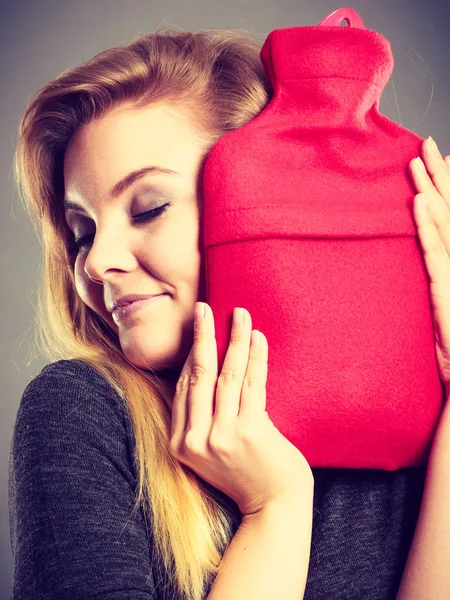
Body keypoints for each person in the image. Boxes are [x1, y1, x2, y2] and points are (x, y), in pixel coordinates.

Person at [7, 28, 450, 600]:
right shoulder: (81, 411)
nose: (96, 263)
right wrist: (274, 508)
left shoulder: (397, 428)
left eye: (149, 208)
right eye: (82, 232)